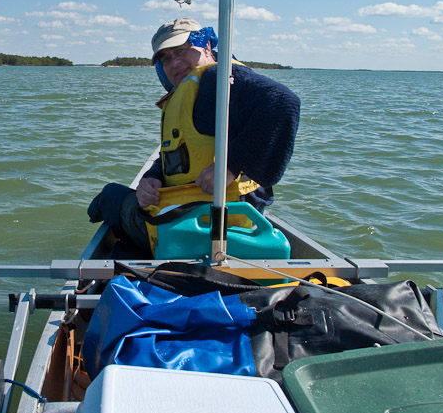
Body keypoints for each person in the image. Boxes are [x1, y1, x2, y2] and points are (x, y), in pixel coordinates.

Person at [87, 18, 301, 257]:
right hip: (198, 217)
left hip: (204, 230)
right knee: (128, 200)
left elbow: (283, 102)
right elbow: (181, 152)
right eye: (165, 58)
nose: (174, 62)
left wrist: (229, 165)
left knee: (108, 197)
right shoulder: (197, 88)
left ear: (207, 47)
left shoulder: (215, 79)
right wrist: (152, 176)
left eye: (181, 50)